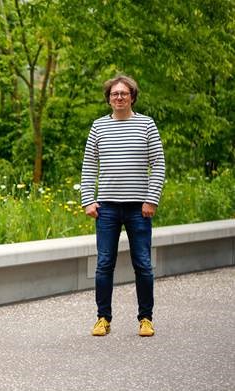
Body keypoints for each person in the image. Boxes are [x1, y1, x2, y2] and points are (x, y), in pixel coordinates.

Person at [81, 74, 165, 337]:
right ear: (109, 99)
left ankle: (146, 319)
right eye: (114, 94)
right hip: (106, 208)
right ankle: (102, 318)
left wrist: (151, 199)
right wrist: (88, 199)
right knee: (104, 264)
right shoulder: (98, 127)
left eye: (124, 93)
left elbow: (158, 164)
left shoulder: (146, 125)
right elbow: (89, 166)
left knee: (143, 264)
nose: (119, 97)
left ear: (132, 97)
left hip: (139, 208)